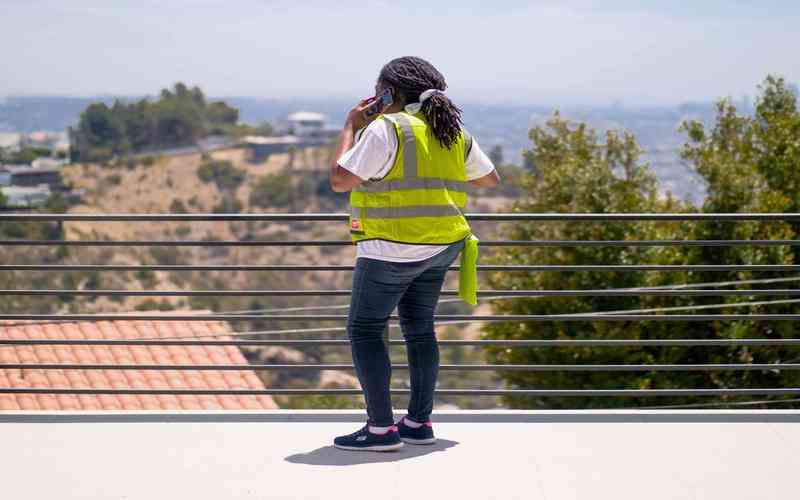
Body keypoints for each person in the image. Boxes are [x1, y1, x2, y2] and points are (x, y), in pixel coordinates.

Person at [328, 56, 500, 451]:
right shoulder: (452, 131)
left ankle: (380, 431)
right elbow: (490, 179)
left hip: (390, 247)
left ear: (388, 93)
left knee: (366, 329)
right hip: (440, 247)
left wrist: (352, 125)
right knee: (420, 329)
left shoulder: (387, 128)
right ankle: (419, 423)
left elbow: (340, 179)